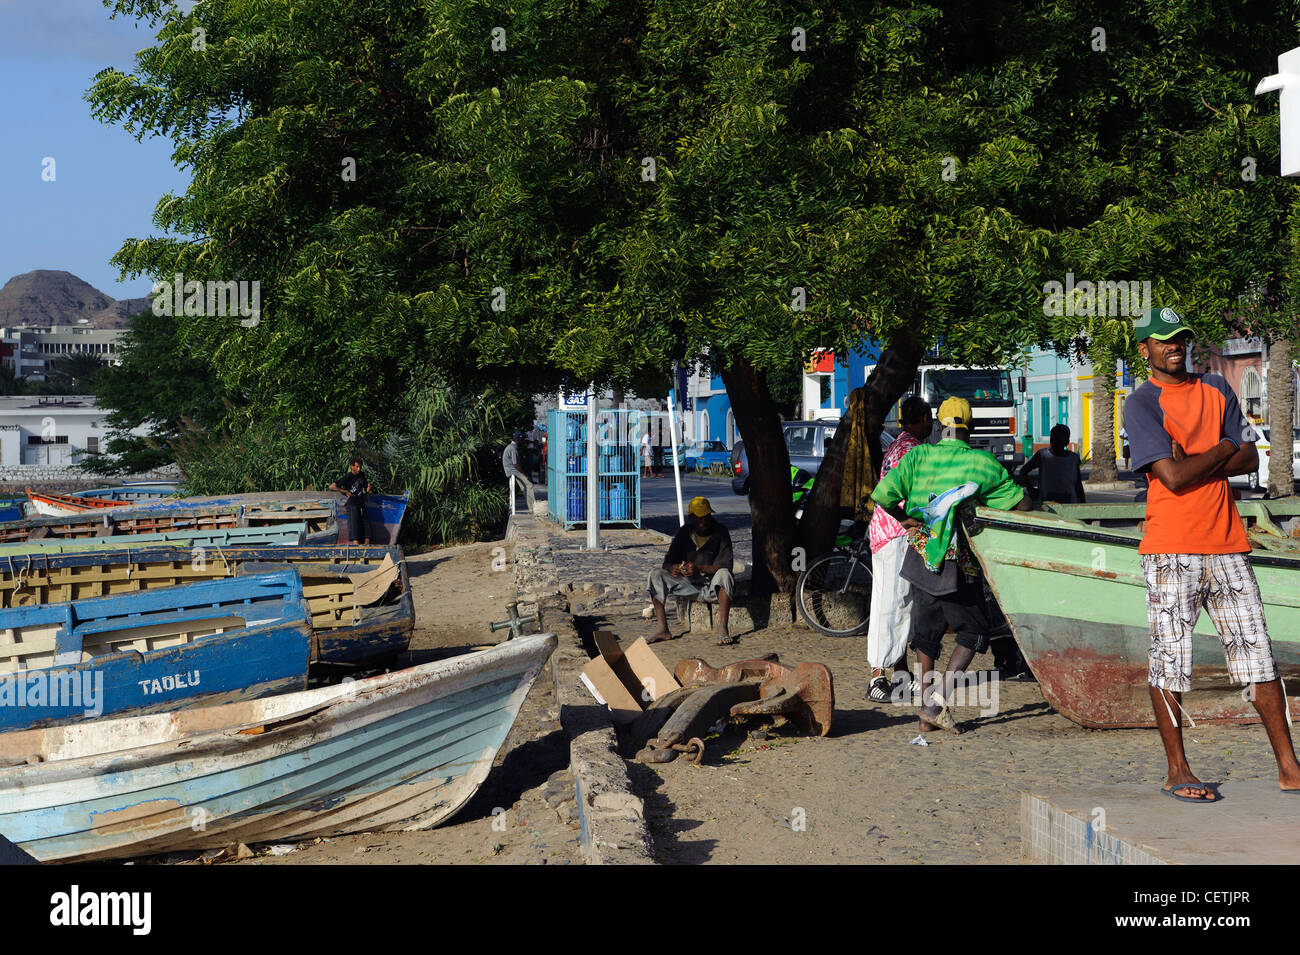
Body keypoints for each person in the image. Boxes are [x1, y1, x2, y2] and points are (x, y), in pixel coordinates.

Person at [1122, 305, 1300, 801]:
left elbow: (1250, 455)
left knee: (1259, 658)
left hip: (1228, 545)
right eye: (1163, 341)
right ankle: (1178, 769)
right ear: (1145, 350)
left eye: (1180, 338)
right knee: (1169, 662)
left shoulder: (1217, 387)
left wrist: (1208, 454)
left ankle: (1290, 767)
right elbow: (1172, 479)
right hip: (1171, 548)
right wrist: (1222, 449)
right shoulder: (1141, 403)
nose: (1174, 346)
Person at [870, 396, 1031, 733]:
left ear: (940, 426)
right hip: (958, 565)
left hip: (920, 557)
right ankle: (935, 703)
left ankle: (924, 716)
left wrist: (905, 519)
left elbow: (883, 494)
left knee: (926, 636)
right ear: (968, 428)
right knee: (974, 632)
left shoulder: (918, 456)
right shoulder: (982, 463)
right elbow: (1020, 503)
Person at [864, 395, 932, 702]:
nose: (932, 424)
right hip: (895, 533)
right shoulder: (911, 450)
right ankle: (878, 677)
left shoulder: (896, 444)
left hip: (884, 533)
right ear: (922, 419)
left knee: (889, 603)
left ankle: (897, 673)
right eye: (929, 418)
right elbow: (888, 494)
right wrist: (905, 519)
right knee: (894, 605)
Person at [647, 496, 736, 646]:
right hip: (688, 586)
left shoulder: (721, 532)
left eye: (706, 517)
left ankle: (722, 629)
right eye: (699, 518)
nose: (704, 522)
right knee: (655, 574)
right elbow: (667, 563)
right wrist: (674, 568)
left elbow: (726, 565)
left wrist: (699, 569)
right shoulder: (684, 532)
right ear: (691, 518)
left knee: (725, 575)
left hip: (712, 587)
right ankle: (663, 629)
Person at [1018, 424, 1086, 504]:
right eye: (1055, 437)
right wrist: (1031, 489)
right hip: (1047, 503)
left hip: (1069, 503)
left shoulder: (1073, 458)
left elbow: (1078, 484)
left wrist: (1082, 502)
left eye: (1060, 438)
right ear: (1051, 439)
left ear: (1067, 441)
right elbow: (1023, 471)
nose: (1057, 441)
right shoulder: (1042, 455)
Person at [329, 456, 372, 545]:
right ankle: (355, 544)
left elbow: (365, 489)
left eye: (360, 467)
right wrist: (345, 491)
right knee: (354, 522)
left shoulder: (362, 475)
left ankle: (367, 544)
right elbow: (332, 486)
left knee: (366, 522)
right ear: (352, 466)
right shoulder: (348, 476)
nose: (359, 469)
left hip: (361, 501)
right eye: (357, 467)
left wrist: (368, 488)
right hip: (352, 503)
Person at [502, 432, 536, 512]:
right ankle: (533, 508)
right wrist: (526, 475)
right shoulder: (513, 448)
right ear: (518, 439)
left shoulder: (511, 446)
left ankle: (531, 507)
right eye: (521, 439)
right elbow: (515, 464)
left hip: (511, 470)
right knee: (529, 485)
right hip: (513, 471)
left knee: (525, 487)